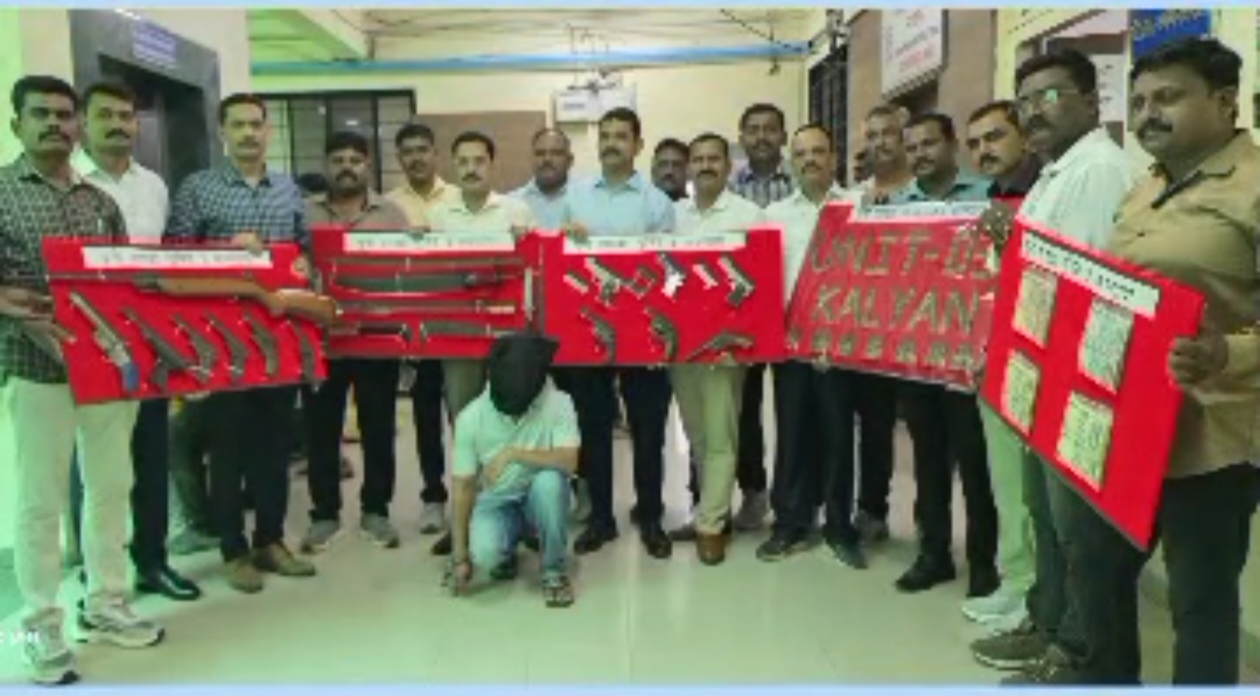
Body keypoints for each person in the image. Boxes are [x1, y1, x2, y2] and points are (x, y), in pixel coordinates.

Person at [1055, 37, 1260, 685]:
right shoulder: (1146, 187)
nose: (1148, 115)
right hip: (1125, 422)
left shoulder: (1253, 190)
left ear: (1224, 102)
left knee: (1199, 601)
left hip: (1212, 435)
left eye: (1168, 98)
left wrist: (1226, 352)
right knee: (1095, 565)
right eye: (1139, 101)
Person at [968, 49, 1135, 684]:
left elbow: (1082, 283)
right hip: (1040, 371)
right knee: (1046, 515)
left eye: (1050, 97)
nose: (1035, 112)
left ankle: (1081, 655)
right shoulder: (1052, 173)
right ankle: (1048, 625)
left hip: (1074, 376)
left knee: (1079, 533)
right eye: (1026, 102)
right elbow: (1039, 267)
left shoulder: (1097, 170)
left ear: (1091, 101)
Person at [0, 75, 162, 686]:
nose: (54, 124)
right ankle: (40, 625)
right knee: (41, 502)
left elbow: (122, 285)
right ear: (16, 124)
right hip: (35, 367)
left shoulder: (100, 202)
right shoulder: (2, 193)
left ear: (77, 127)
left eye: (63, 115)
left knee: (111, 487)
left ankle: (107, 602)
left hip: (105, 367)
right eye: (39, 113)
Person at [166, 93, 316, 593]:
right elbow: (175, 255)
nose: (249, 133)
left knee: (274, 448)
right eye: (239, 125)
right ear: (222, 132)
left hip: (278, 339)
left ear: (268, 131)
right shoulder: (198, 189)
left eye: (256, 124)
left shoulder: (288, 190)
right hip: (222, 343)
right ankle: (233, 550)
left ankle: (270, 540)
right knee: (226, 450)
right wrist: (224, 250)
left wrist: (304, 266)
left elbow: (304, 252)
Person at [69, 81, 199, 601]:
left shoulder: (154, 186)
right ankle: (97, 571)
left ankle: (152, 561)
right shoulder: (70, 184)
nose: (118, 125)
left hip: (148, 343)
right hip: (90, 340)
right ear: (83, 122)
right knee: (94, 466)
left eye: (126, 116)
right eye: (105, 115)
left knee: (150, 455)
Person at [888, 112, 999, 597]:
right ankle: (933, 554)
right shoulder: (895, 207)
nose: (920, 155)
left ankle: (983, 563)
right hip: (918, 358)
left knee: (976, 466)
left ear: (953, 146)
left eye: (929, 144)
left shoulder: (989, 196)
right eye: (912, 147)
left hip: (970, 359)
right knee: (927, 461)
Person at [558, 107, 675, 559]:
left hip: (645, 333)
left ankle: (651, 518)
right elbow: (565, 263)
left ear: (638, 145)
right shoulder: (576, 197)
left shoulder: (657, 203)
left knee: (648, 431)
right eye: (605, 135)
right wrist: (568, 238)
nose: (611, 143)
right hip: (590, 331)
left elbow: (669, 269)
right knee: (594, 429)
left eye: (621, 136)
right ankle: (601, 520)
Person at [756, 124, 867, 569]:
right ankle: (790, 523)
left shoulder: (857, 207)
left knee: (839, 436)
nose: (810, 160)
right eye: (801, 154)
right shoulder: (774, 216)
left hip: (840, 346)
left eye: (818, 152)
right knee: (792, 435)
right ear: (791, 162)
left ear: (833, 157)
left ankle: (839, 526)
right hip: (791, 346)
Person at [299, 131, 410, 554]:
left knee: (378, 427)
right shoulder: (304, 213)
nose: (347, 166)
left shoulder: (392, 215)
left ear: (368, 165)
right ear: (326, 166)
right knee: (320, 430)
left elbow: (405, 274)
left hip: (375, 338)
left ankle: (376, 510)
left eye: (355, 159)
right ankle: (324, 514)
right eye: (338, 159)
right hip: (321, 340)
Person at [960, 100, 1042, 629]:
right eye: (975, 143)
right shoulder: (991, 199)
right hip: (991, 361)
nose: (984, 150)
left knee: (1031, 491)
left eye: (994, 137)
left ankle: (1034, 593)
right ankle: (1016, 581)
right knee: (1006, 483)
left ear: (1024, 138)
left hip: (1033, 363)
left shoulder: (1044, 196)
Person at [668, 133, 763, 564]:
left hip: (725, 348)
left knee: (722, 433)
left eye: (714, 159)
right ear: (690, 166)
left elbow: (760, 280)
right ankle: (712, 510)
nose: (705, 165)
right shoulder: (672, 216)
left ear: (728, 166)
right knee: (697, 435)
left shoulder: (749, 216)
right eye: (698, 159)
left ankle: (711, 526)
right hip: (681, 345)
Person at [445, 332, 580, 607]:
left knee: (551, 483)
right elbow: (463, 488)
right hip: (497, 498)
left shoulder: (559, 402)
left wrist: (514, 454)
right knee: (485, 554)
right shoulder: (470, 418)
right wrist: (459, 557)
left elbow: (570, 462)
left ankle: (554, 571)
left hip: (540, 493)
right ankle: (505, 550)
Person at [725, 102, 795, 535]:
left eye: (770, 129)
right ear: (742, 137)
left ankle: (793, 501)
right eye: (753, 129)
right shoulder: (729, 189)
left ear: (783, 136)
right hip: (744, 316)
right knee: (744, 410)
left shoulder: (801, 180)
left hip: (794, 312)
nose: (762, 136)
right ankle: (753, 493)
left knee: (793, 412)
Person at [387, 121, 456, 539]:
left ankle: (472, 493)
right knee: (425, 416)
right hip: (416, 328)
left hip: (460, 323)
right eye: (408, 151)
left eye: (422, 149)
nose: (416, 157)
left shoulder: (458, 199)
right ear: (399, 158)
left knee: (465, 417)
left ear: (436, 154)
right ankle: (433, 496)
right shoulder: (388, 207)